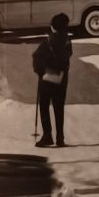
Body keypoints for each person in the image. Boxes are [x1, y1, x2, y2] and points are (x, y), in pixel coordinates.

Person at [31, 12, 73, 148]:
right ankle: (60, 138)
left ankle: (47, 136)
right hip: (62, 78)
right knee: (58, 108)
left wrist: (39, 71)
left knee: (44, 106)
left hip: (47, 78)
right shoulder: (67, 40)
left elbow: (37, 56)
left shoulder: (49, 40)